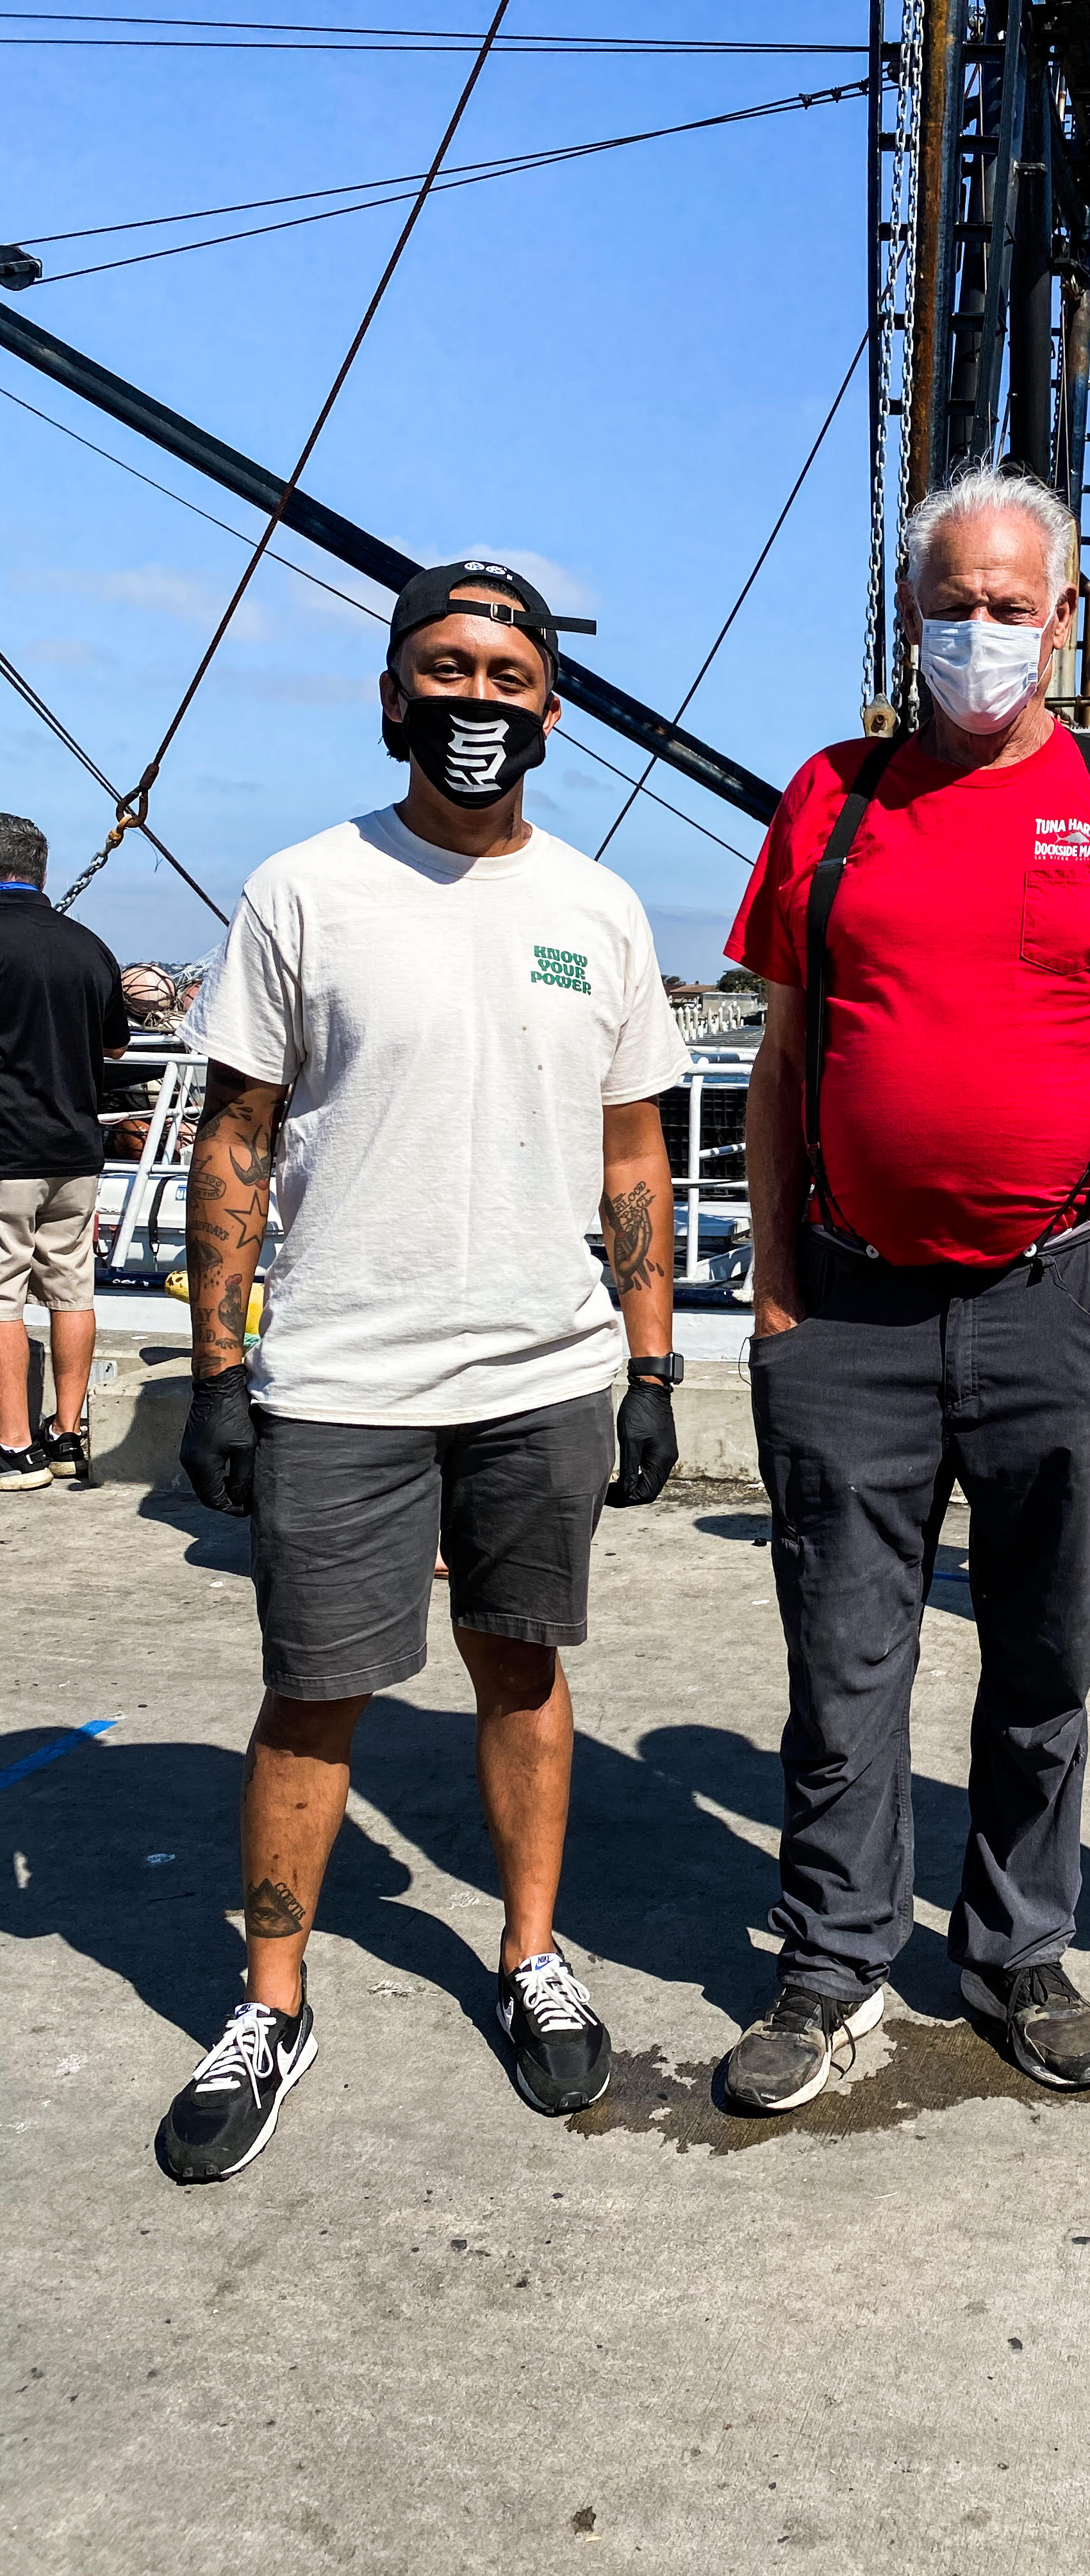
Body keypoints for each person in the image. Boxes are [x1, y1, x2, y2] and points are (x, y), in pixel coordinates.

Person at [157, 560, 692, 2184]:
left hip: (540, 1371)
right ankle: (270, 1999)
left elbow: (634, 1150)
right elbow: (235, 1133)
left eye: (508, 678)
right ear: (395, 693)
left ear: (552, 711)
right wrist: (220, 1365)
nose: (478, 700)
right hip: (337, 1375)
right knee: (315, 1688)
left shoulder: (596, 910)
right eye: (446, 671)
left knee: (520, 1665)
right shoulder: (304, 890)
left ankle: (529, 1954)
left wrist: (652, 1363)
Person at [723, 464, 1090, 2112]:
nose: (978, 634)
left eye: (1012, 607)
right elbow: (783, 1071)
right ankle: (830, 1963)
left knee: (1043, 1663)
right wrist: (780, 1298)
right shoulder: (834, 795)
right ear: (909, 612)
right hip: (851, 1316)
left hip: (1061, 1298)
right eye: (949, 604)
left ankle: (1016, 1949)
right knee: (843, 1664)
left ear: (1066, 619)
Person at [0, 811, 128, 1491]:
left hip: (6, 1153)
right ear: (42, 871)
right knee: (73, 1291)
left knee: (0, 1299)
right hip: (76, 1149)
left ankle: (14, 1448)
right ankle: (66, 1436)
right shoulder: (89, 946)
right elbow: (115, 1047)